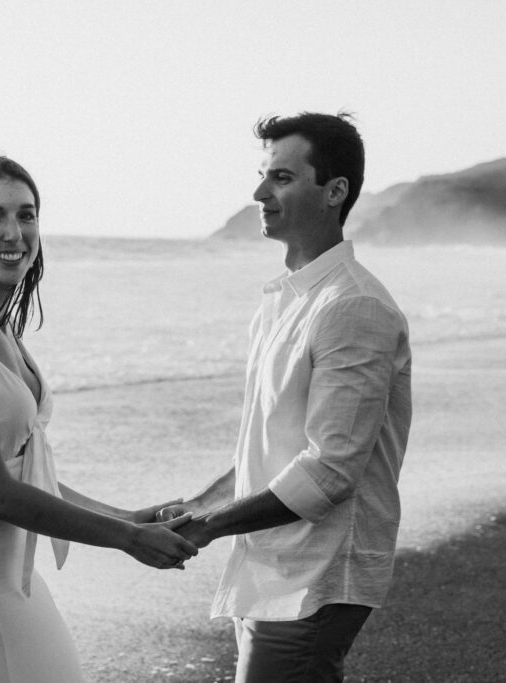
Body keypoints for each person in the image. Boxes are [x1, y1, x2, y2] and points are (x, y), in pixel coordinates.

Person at [0, 155, 198, 683]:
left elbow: (30, 474)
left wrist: (130, 517)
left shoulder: (3, 333)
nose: (15, 232)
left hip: (13, 586)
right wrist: (124, 539)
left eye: (27, 215)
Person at [159, 112, 412, 682]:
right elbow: (271, 446)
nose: (259, 193)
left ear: (335, 191)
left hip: (315, 573)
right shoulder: (284, 302)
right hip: (270, 563)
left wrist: (211, 526)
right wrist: (199, 506)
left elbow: (329, 472)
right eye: (263, 176)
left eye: (281, 178)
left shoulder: (353, 306)